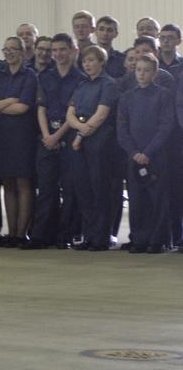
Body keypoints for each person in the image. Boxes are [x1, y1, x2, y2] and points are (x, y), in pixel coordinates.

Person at [23, 33, 86, 250]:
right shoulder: (45, 77)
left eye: (62, 49)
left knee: (69, 190)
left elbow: (75, 112)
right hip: (47, 138)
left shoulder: (81, 79)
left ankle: (65, 235)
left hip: (69, 138)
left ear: (72, 50)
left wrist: (57, 136)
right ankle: (41, 235)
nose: (58, 54)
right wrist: (47, 136)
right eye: (55, 50)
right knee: (46, 190)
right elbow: (41, 108)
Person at [117, 53, 174, 253]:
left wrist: (148, 152)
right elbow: (122, 129)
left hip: (156, 155)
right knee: (137, 198)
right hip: (134, 156)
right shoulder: (126, 97)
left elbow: (166, 126)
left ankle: (157, 240)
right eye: (139, 70)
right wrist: (134, 152)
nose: (142, 74)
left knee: (157, 198)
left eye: (146, 70)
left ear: (155, 73)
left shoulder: (163, 95)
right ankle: (140, 239)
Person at [0, 36, 37, 247]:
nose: (9, 52)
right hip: (2, 137)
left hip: (22, 136)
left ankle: (21, 233)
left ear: (23, 52)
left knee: (23, 183)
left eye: (14, 49)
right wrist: (8, 101)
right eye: (6, 49)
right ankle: (11, 231)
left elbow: (22, 108)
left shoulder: (30, 76)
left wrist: (1, 106)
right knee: (7, 184)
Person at [67, 45, 119, 251]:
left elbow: (101, 115)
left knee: (100, 189)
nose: (88, 64)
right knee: (83, 189)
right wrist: (79, 128)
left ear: (102, 62)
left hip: (99, 141)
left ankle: (101, 237)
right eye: (85, 61)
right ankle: (89, 235)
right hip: (80, 138)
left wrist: (80, 135)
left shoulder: (109, 84)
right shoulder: (81, 85)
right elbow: (70, 112)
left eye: (92, 60)